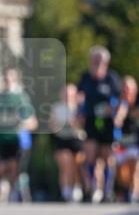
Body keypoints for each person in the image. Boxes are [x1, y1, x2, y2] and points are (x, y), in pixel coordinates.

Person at [76, 46, 122, 203]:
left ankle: (107, 189)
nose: (96, 63)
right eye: (94, 60)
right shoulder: (86, 78)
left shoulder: (112, 78)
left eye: (99, 61)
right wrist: (79, 110)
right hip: (90, 120)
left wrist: (118, 115)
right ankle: (92, 187)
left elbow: (121, 100)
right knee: (90, 154)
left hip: (108, 122)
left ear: (106, 62)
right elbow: (79, 96)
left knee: (107, 156)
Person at [0, 68, 37, 203]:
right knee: (2, 164)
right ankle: (3, 186)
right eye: (6, 78)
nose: (8, 81)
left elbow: (29, 116)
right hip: (2, 136)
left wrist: (25, 122)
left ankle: (13, 189)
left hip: (16, 136)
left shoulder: (20, 96)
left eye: (10, 78)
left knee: (14, 164)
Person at [49, 83, 85, 202]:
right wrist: (58, 125)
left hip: (76, 139)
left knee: (77, 164)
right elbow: (52, 126)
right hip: (61, 139)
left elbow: (83, 124)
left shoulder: (79, 107)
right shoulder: (57, 108)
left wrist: (75, 123)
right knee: (65, 163)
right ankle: (65, 190)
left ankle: (76, 186)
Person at [114, 75, 139, 202]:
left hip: (136, 141)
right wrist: (119, 114)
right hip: (121, 141)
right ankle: (126, 189)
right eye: (125, 89)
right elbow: (118, 119)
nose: (127, 91)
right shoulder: (119, 102)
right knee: (121, 171)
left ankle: (134, 192)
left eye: (129, 88)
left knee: (134, 164)